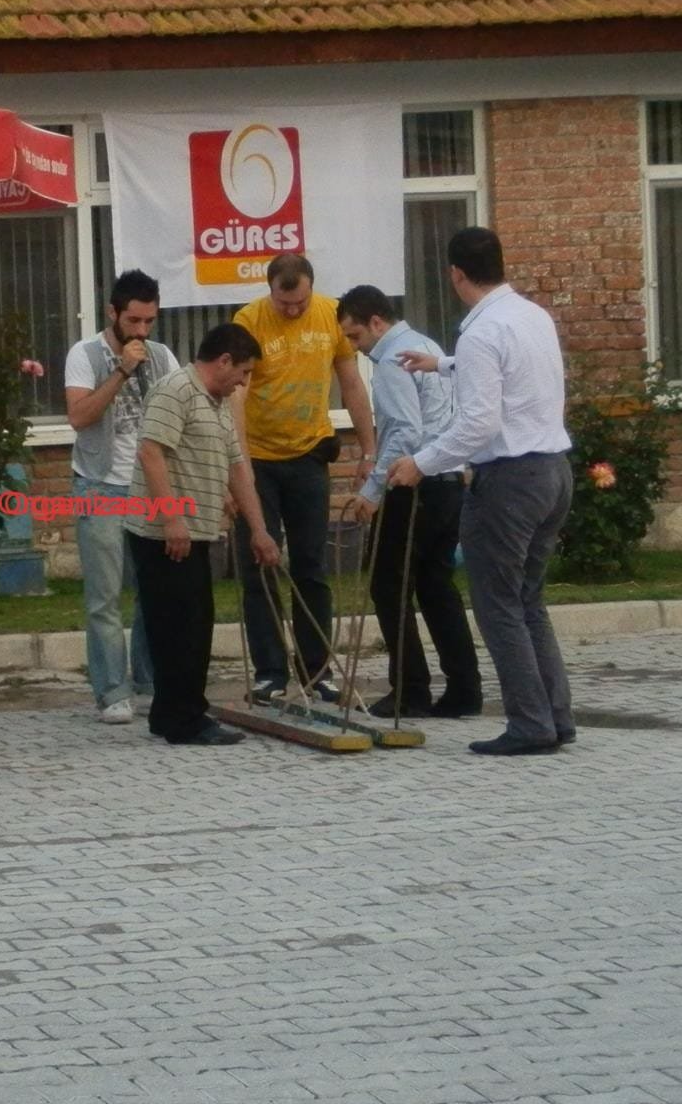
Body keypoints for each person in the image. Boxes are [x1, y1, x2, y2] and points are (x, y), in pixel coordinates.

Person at [388, 227, 574, 756]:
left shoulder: (480, 333)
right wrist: (442, 363)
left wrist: (421, 463)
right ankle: (556, 716)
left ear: (455, 273)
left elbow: (478, 422)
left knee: (498, 606)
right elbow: (512, 374)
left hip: (509, 481)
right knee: (528, 600)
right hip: (553, 471)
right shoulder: (532, 315)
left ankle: (530, 724)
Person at [231, 253, 376, 707]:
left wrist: (369, 450)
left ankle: (318, 671)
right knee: (260, 563)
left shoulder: (330, 315)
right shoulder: (249, 320)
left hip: (310, 455)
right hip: (258, 459)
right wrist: (237, 464)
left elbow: (351, 383)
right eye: (284, 303)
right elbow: (236, 395)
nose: (293, 310)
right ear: (270, 290)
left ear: (312, 288)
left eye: (300, 302)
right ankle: (270, 672)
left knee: (312, 566)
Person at [128, 323, 281, 746]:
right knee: (180, 628)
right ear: (224, 361)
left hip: (197, 530)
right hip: (163, 532)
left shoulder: (219, 402)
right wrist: (171, 518)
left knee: (193, 622)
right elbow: (151, 452)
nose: (243, 383)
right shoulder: (175, 389)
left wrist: (259, 530)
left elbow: (237, 469)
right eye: (243, 372)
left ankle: (169, 713)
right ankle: (186, 719)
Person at [337, 285, 482, 720]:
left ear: (376, 322)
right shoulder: (428, 346)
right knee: (436, 585)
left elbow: (403, 431)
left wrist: (371, 492)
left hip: (413, 483)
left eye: (355, 336)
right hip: (448, 479)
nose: (355, 347)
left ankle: (410, 690)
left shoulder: (392, 361)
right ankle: (464, 688)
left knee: (389, 585)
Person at [64, 269, 178, 724]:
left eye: (149, 321)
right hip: (100, 484)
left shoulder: (162, 356)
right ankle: (112, 690)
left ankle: (148, 680)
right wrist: (121, 371)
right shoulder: (85, 354)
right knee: (105, 596)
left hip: (151, 487)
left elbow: (179, 416)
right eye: (133, 321)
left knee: (154, 591)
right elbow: (79, 416)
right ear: (112, 313)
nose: (142, 331)